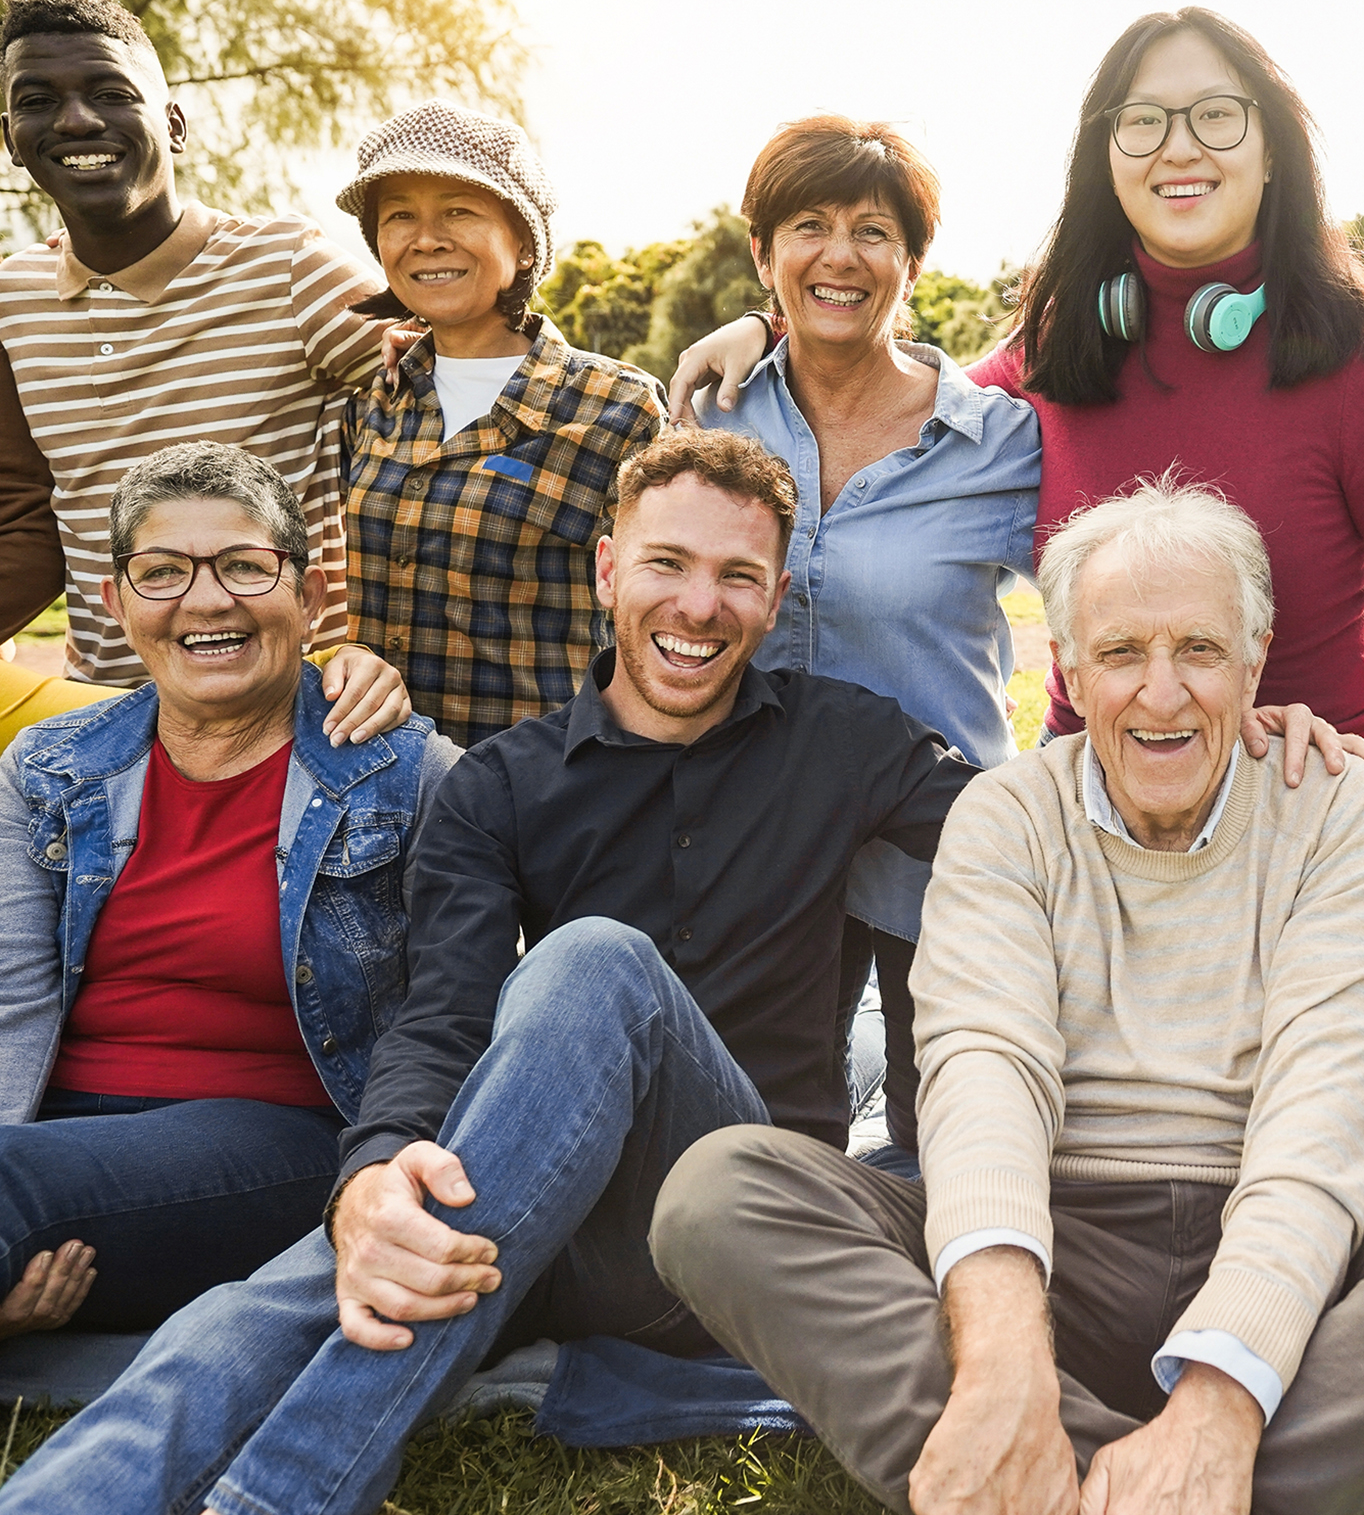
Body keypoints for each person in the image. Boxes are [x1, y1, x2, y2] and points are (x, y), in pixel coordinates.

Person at [0, 426, 977, 1515]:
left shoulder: (840, 739)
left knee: (594, 962)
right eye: (666, 564)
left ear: (774, 592)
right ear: (608, 567)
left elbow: (1019, 826)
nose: (698, 607)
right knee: (306, 1283)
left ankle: (278, 1498)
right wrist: (371, 1178)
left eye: (735, 577)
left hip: (741, 1222)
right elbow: (440, 1015)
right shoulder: (503, 784)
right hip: (539, 1213)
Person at [652, 479, 1364, 1515]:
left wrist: (1220, 1399)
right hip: (1050, 1244)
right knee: (719, 1192)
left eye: (1199, 652)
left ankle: (1085, 1477)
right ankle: (1085, 1456)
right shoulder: (1007, 815)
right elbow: (984, 1072)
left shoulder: (1335, 808)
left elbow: (1323, 1111)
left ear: (1253, 661)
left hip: (1285, 1258)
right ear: (1066, 668)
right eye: (1119, 654)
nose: (1159, 695)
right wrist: (998, 1363)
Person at [679, 106, 1355, 1157]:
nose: (840, 255)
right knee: (764, 1147)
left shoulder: (996, 436)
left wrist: (1271, 704)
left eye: (873, 232)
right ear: (760, 250)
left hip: (934, 854)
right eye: (807, 226)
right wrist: (761, 330)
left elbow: (1147, 563)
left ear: (910, 261)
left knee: (947, 1136)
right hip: (754, 850)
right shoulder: (711, 413)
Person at [672, 7, 1364, 748]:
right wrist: (772, 326)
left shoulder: (1350, 360)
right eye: (1143, 121)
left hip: (1304, 810)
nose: (1179, 147)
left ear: (1271, 153)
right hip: (1088, 825)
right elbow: (884, 393)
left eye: (1218, 115)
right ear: (1106, 157)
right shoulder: (1059, 346)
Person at [0, 442, 458, 1344]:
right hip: (45, 1139)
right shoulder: (47, 769)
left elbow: (452, 1016)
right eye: (162, 573)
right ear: (118, 605)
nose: (205, 602)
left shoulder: (407, 774)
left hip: (280, 1144)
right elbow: (10, 995)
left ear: (310, 596)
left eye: (245, 567)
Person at [0, 0, 402, 741]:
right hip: (106, 722)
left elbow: (465, 360)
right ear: (10, 137)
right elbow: (23, 520)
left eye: (111, 93)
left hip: (291, 714)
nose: (77, 120)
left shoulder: (288, 267)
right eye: (37, 100)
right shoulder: (10, 302)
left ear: (174, 124)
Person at [336, 101, 664, 746]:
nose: (426, 238)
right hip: (379, 790)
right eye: (400, 214)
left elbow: (665, 614)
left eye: (459, 210)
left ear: (521, 242)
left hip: (541, 796)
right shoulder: (372, 405)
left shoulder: (619, 408)